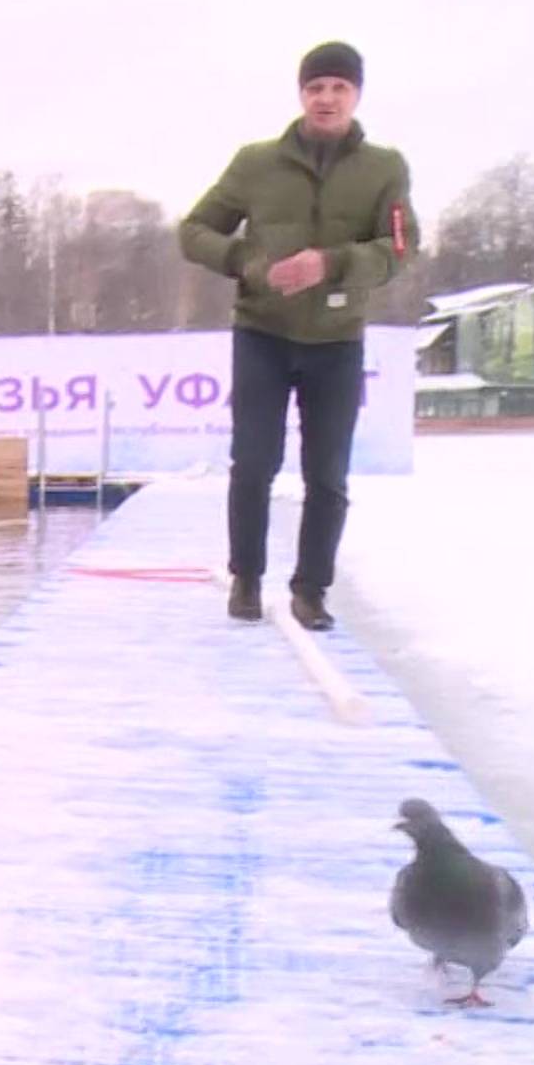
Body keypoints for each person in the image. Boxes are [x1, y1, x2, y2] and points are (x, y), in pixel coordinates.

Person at [179, 42, 417, 632]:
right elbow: (193, 231)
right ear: (301, 95)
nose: (327, 99)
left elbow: (399, 248)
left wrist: (332, 263)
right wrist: (250, 265)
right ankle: (247, 580)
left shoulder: (385, 168)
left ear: (357, 94)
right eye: (316, 88)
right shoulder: (256, 162)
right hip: (262, 332)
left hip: (336, 340)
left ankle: (311, 590)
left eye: (339, 87)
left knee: (327, 473)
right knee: (254, 462)